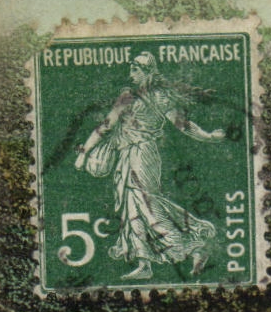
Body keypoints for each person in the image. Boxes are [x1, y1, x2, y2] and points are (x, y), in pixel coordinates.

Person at [74, 53, 224, 281]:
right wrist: (84, 152)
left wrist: (208, 136)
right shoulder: (126, 96)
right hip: (125, 155)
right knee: (131, 208)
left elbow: (182, 125)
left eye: (135, 70)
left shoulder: (160, 97)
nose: (131, 74)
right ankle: (144, 264)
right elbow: (106, 125)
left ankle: (193, 247)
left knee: (146, 205)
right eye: (131, 69)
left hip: (143, 155)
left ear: (147, 72)